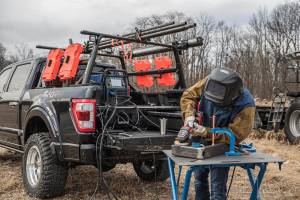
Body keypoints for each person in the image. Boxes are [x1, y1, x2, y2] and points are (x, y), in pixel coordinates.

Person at [178, 67, 256, 200]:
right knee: (199, 180)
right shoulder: (212, 82)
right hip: (200, 142)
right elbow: (188, 95)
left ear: (233, 96)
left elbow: (235, 135)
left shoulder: (246, 105)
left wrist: (206, 132)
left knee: (217, 189)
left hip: (221, 147)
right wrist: (189, 116)